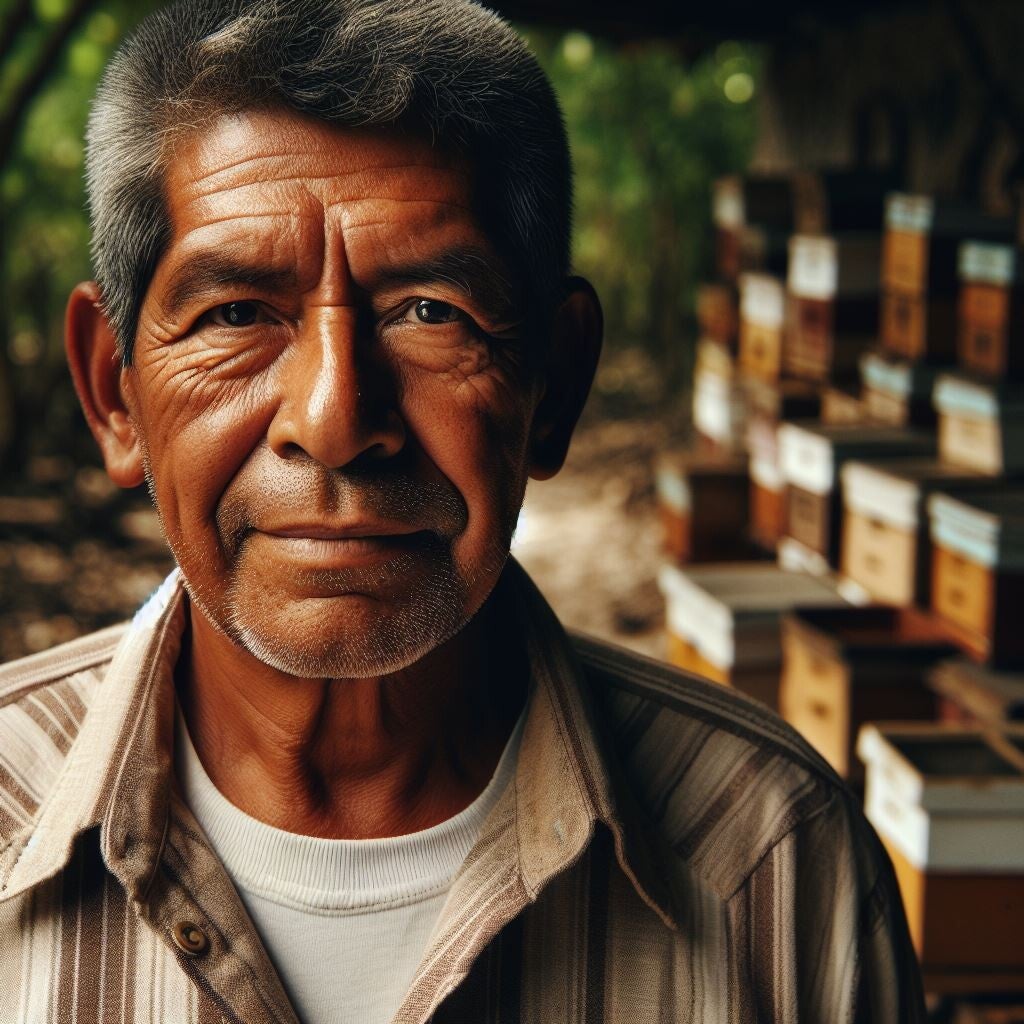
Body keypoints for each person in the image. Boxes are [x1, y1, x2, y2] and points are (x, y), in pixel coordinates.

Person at [0, 1, 925, 1021]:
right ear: (114, 391)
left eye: (430, 313)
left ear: (554, 384)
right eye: (234, 314)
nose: (336, 417)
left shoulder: (778, 866)